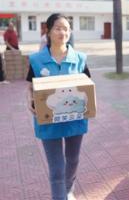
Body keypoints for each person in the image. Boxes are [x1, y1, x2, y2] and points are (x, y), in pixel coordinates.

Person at [26, 13, 91, 200]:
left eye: (66, 28)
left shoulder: (79, 58)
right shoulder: (37, 60)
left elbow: (88, 86)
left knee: (72, 160)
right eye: (58, 28)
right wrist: (28, 100)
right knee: (56, 170)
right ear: (48, 31)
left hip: (75, 119)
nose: (62, 32)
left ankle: (68, 189)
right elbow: (30, 86)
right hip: (49, 121)